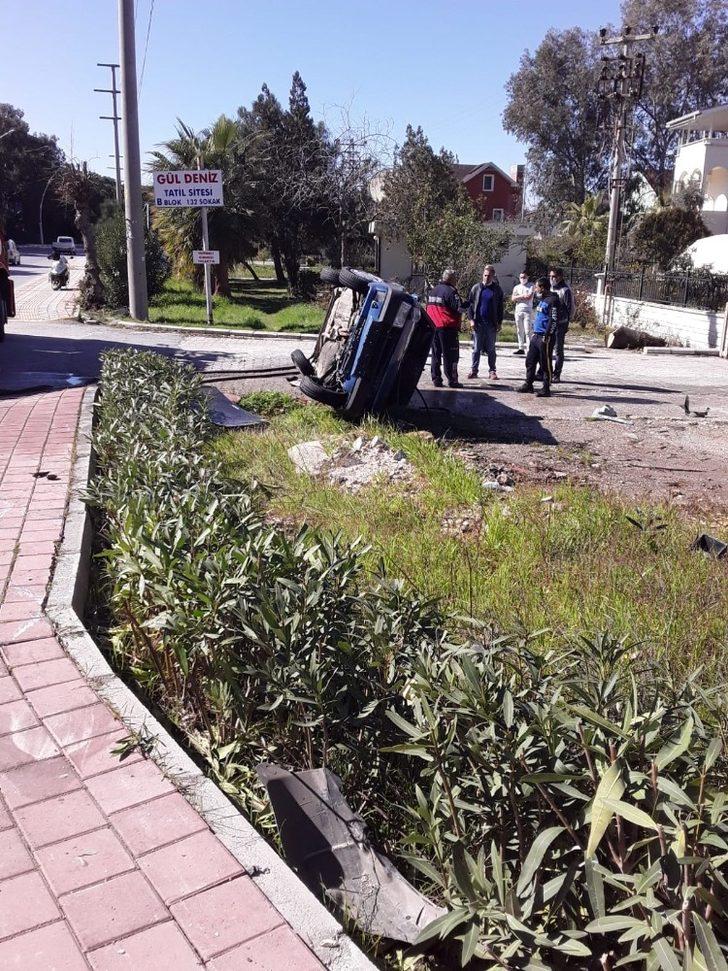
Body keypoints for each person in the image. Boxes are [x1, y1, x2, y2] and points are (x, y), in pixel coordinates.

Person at [518, 276, 559, 398]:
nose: (535, 289)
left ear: (543, 288)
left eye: (537, 287)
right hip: (536, 335)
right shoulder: (543, 299)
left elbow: (554, 319)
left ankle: (546, 388)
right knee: (530, 361)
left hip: (545, 337)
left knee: (545, 363)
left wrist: (548, 335)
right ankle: (528, 384)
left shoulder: (553, 300)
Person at [426, 268, 465, 388]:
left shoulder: (433, 291)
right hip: (447, 328)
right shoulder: (451, 292)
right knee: (451, 355)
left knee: (436, 354)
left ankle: (436, 379)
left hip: (434, 327)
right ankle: (452, 380)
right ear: (452, 279)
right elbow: (459, 308)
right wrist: (468, 305)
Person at [467, 264, 504, 380]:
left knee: (491, 349)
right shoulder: (476, 288)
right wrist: (471, 320)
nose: (486, 277)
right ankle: (474, 370)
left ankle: (492, 371)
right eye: (485, 275)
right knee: (476, 348)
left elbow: (500, 308)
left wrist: (499, 322)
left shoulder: (497, 290)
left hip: (491, 324)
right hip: (478, 323)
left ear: (493, 276)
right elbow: (470, 305)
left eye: (489, 275)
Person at [548, 267, 573, 383]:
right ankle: (545, 372)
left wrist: (566, 324)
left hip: (559, 324)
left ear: (560, 277)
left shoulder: (565, 290)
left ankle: (556, 374)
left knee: (558, 350)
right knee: (546, 348)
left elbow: (570, 309)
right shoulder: (550, 288)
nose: (552, 279)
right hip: (548, 323)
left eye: (554, 276)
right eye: (550, 276)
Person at [511, 270, 534, 356]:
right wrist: (521, 296)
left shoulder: (531, 286)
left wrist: (519, 297)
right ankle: (521, 347)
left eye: (524, 277)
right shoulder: (517, 287)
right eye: (521, 277)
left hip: (527, 310)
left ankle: (529, 348)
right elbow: (513, 298)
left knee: (528, 331)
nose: (522, 279)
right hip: (518, 310)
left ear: (527, 277)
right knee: (519, 330)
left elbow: (529, 297)